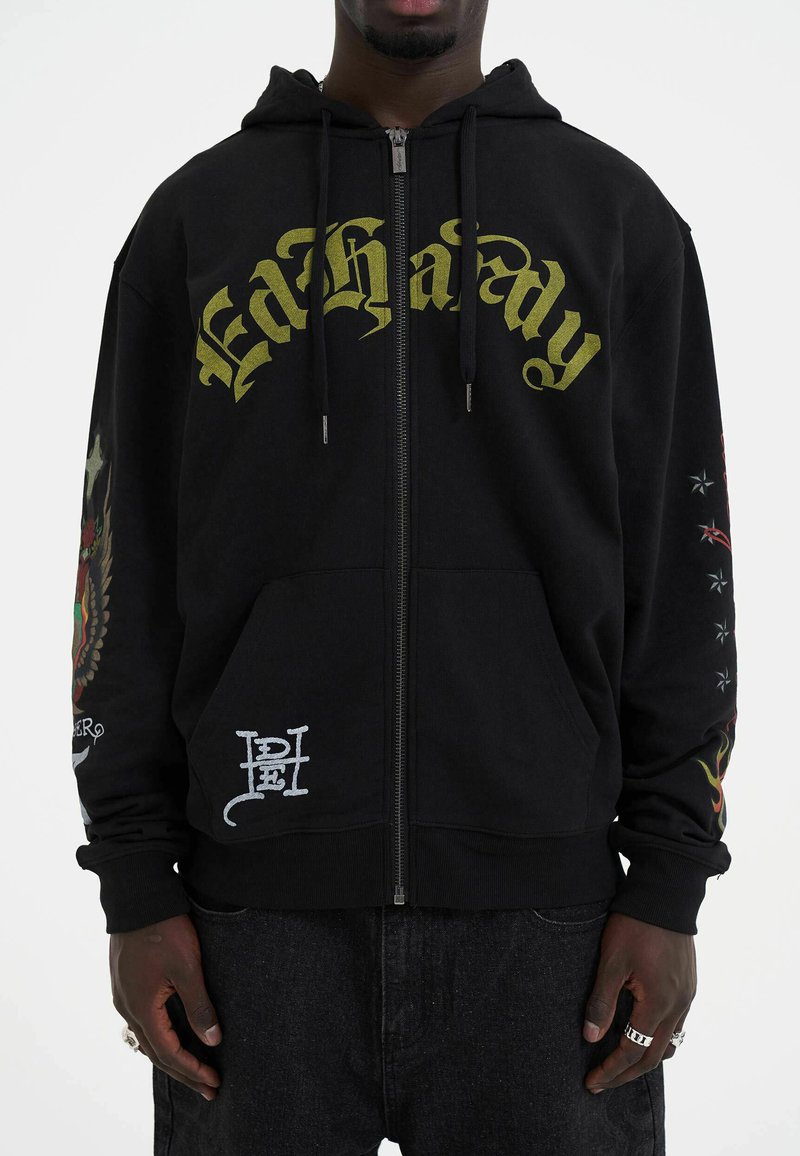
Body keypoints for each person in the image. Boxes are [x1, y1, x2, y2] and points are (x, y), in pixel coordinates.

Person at [70, 1, 737, 1152]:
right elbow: (120, 566)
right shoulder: (194, 220)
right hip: (250, 926)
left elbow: (686, 569)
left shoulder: (617, 219)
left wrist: (667, 880)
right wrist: (135, 883)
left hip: (549, 935)